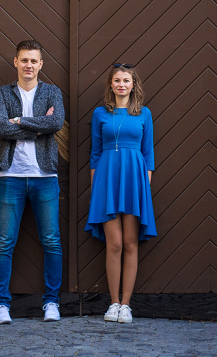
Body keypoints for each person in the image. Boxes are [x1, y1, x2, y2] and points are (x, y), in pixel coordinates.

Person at [0, 39, 65, 324]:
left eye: (34, 61)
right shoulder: (3, 93)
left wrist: (19, 121)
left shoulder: (52, 92)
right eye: (24, 60)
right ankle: (2, 305)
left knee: (52, 241)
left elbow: (55, 123)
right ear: (15, 62)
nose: (29, 65)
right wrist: (37, 126)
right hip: (11, 176)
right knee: (4, 243)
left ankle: (51, 302)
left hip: (45, 177)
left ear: (41, 64)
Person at [86, 63, 156, 324]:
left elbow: (148, 155)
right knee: (113, 244)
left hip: (135, 181)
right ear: (111, 84)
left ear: (133, 84)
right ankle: (113, 303)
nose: (121, 84)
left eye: (126, 80)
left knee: (130, 244)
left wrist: (144, 189)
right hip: (107, 180)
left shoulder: (144, 114)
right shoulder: (100, 114)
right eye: (117, 80)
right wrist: (96, 189)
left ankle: (126, 305)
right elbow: (95, 153)